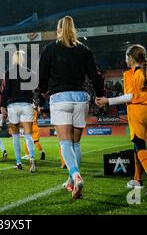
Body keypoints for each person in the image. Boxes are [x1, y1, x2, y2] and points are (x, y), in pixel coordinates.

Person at [38, 16, 106, 199]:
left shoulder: (50, 49)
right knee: (76, 143)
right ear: (74, 29)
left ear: (58, 30)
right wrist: (100, 93)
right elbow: (95, 75)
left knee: (65, 143)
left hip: (60, 98)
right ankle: (70, 180)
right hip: (81, 98)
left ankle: (76, 176)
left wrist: (42, 93)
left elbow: (42, 77)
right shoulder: (84, 49)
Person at [96, 44, 147, 196]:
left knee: (139, 145)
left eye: (126, 57)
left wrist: (108, 101)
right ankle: (137, 179)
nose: (125, 59)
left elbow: (130, 97)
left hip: (136, 112)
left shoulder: (130, 74)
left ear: (131, 59)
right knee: (137, 146)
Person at [0, 50, 37, 172]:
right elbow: (33, 90)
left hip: (13, 106)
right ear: (22, 59)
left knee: (15, 136)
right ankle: (32, 159)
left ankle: (18, 162)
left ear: (13, 59)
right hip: (27, 104)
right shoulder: (29, 72)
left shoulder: (8, 73)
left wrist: (2, 105)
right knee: (28, 135)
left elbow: (5, 91)